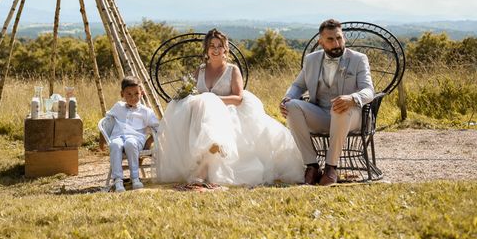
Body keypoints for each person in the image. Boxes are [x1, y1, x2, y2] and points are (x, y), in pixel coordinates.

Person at [157, 28, 304, 186]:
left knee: (213, 121)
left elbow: (238, 98)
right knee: (191, 111)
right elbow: (188, 92)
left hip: (228, 112)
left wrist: (211, 99)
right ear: (206, 49)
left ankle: (205, 168)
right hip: (200, 116)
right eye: (211, 45)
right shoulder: (200, 70)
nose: (215, 49)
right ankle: (202, 164)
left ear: (225, 49)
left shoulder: (232, 70)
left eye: (219, 46)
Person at [280, 19, 374, 186]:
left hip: (351, 115)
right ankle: (312, 166)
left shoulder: (359, 59)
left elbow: (369, 91)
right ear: (321, 42)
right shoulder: (311, 60)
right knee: (291, 106)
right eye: (330, 39)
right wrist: (288, 97)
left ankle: (331, 168)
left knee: (340, 107)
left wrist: (352, 98)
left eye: (339, 38)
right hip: (321, 113)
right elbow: (298, 85)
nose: (337, 43)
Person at [106, 76, 160, 192]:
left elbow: (158, 128)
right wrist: (102, 139)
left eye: (136, 93)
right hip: (118, 137)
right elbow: (107, 120)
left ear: (142, 93)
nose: (133, 97)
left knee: (130, 143)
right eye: (129, 94)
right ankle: (118, 180)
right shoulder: (118, 107)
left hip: (136, 140)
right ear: (122, 94)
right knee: (114, 144)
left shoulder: (146, 111)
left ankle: (135, 178)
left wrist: (149, 141)